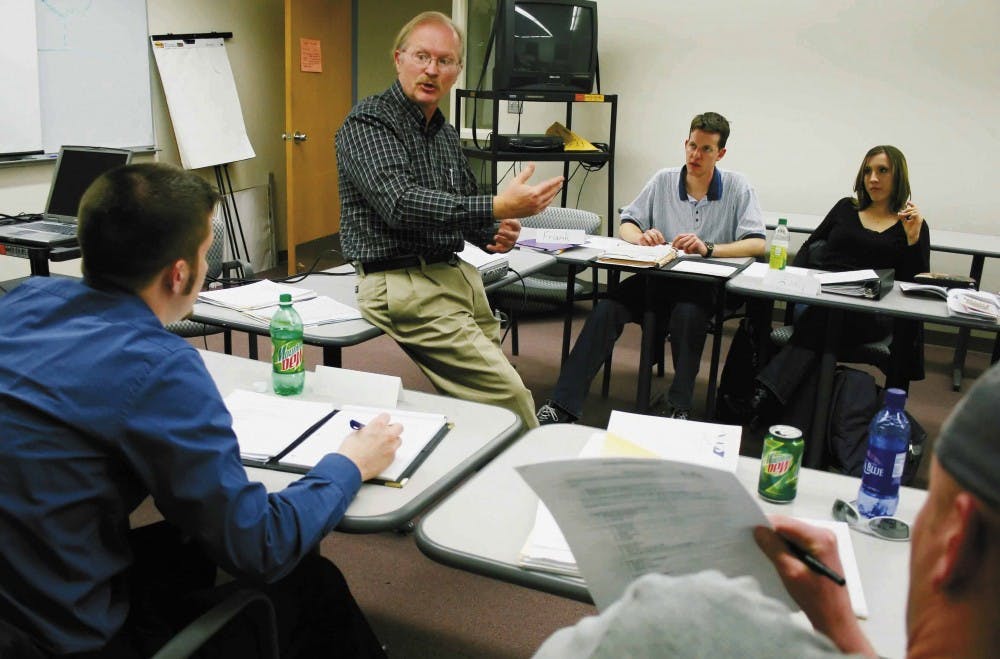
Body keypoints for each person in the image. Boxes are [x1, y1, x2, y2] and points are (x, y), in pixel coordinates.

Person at [0, 163, 403, 658]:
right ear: (180, 273)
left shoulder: (25, 300)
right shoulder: (160, 367)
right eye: (205, 251)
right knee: (309, 579)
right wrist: (350, 463)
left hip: (22, 592)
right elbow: (261, 546)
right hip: (66, 638)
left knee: (192, 545)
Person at [534, 360, 1000, 657]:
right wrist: (844, 631)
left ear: (954, 546)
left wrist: (673, 607)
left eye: (927, 510)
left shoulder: (678, 621)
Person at [335, 11, 563, 430]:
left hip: (454, 276)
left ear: (457, 71)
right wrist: (495, 207)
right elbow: (401, 204)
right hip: (401, 281)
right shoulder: (369, 122)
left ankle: (473, 473)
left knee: (486, 402)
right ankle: (525, 484)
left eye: (444, 61)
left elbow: (462, 202)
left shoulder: (442, 133)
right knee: (509, 400)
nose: (431, 69)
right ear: (398, 58)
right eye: (422, 56)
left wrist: (497, 229)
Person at [536, 112, 766, 423]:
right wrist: (641, 237)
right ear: (685, 143)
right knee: (606, 311)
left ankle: (678, 406)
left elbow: (756, 243)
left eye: (706, 149)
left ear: (721, 153)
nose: (696, 155)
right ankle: (563, 404)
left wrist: (709, 248)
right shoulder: (663, 180)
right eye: (692, 146)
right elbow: (627, 223)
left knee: (687, 315)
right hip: (657, 278)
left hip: (704, 286)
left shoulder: (739, 188)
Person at [740, 145, 930, 424]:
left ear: (898, 176)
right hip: (818, 299)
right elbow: (808, 249)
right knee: (826, 313)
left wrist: (913, 241)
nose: (873, 178)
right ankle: (779, 400)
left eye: (882, 171)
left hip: (869, 314)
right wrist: (790, 283)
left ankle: (766, 394)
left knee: (830, 317)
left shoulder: (911, 224)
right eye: (867, 171)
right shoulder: (845, 208)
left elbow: (914, 284)